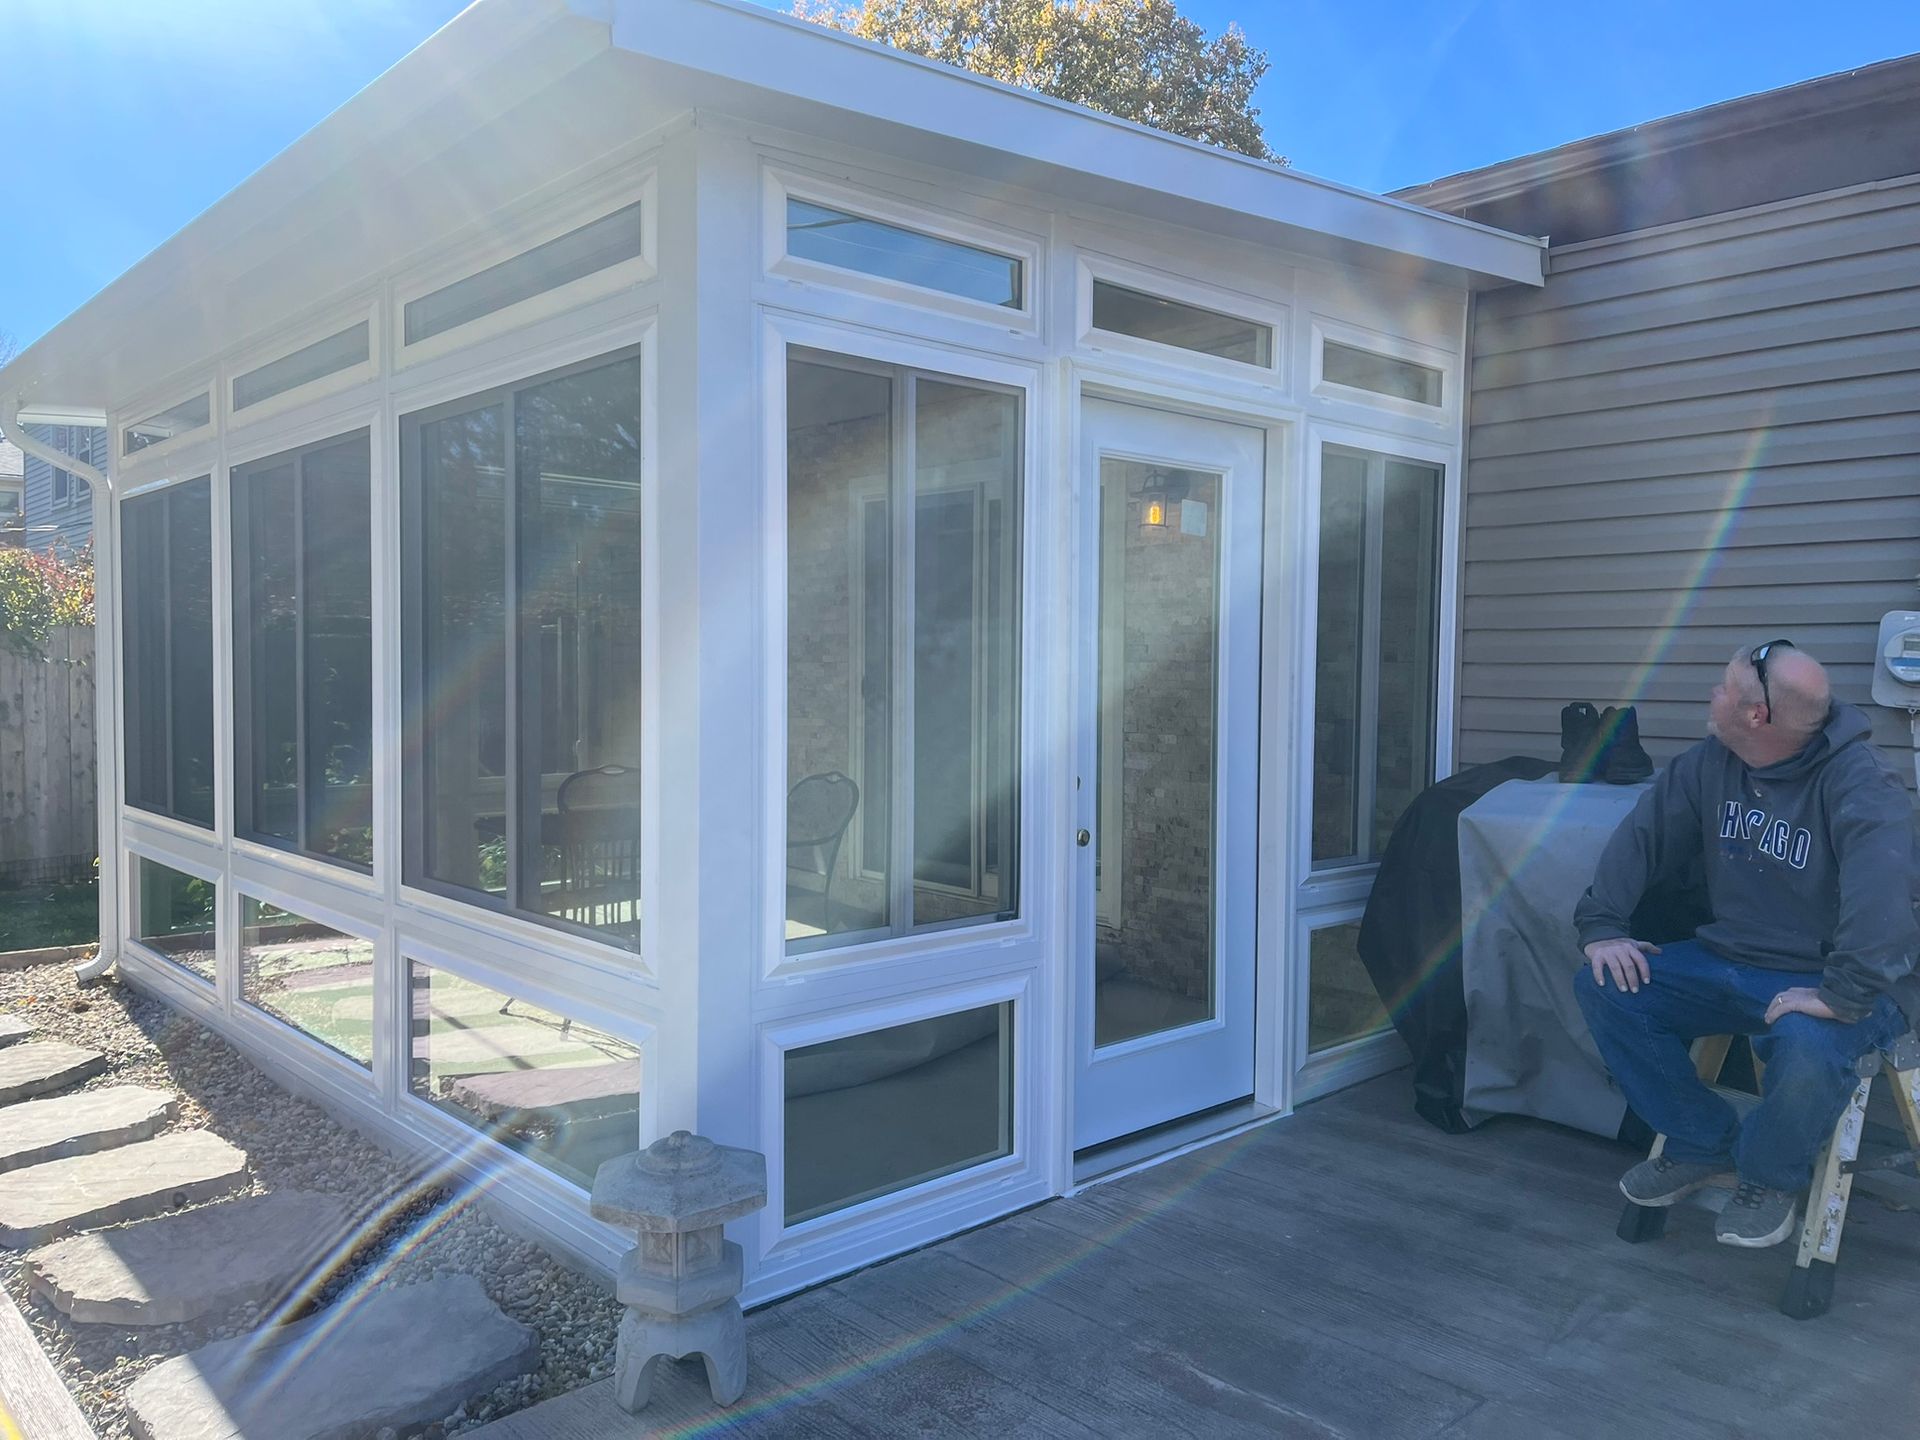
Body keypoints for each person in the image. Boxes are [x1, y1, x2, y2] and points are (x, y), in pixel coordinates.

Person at [1572, 640, 1920, 1248]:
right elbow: (1642, 838)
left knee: (1809, 1042)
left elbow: (1886, 896)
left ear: (1756, 715)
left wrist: (1843, 994)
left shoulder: (1861, 782)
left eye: (1724, 688)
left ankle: (1766, 1177)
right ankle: (1700, 1141)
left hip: (1835, 977)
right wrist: (1603, 927)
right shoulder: (1711, 761)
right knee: (1606, 985)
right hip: (1730, 958)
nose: (1713, 695)